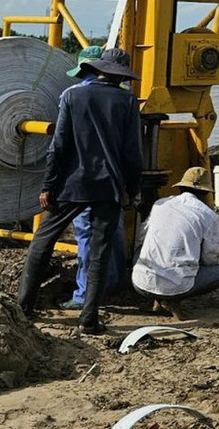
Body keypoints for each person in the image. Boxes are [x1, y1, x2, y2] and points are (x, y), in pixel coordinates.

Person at [18, 45, 143, 335]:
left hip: (70, 186)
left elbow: (58, 147)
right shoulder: (127, 102)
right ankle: (89, 319)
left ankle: (24, 307)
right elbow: (132, 154)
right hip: (107, 187)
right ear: (120, 76)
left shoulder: (73, 96)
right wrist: (132, 191)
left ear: (97, 69)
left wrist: (48, 185)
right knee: (100, 252)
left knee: (42, 243)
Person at [132, 166, 219, 319]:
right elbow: (211, 257)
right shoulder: (208, 215)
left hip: (140, 284)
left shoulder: (160, 204)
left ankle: (156, 302)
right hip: (177, 286)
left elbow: (141, 237)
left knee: (141, 251)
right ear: (205, 192)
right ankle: (172, 300)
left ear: (181, 187)